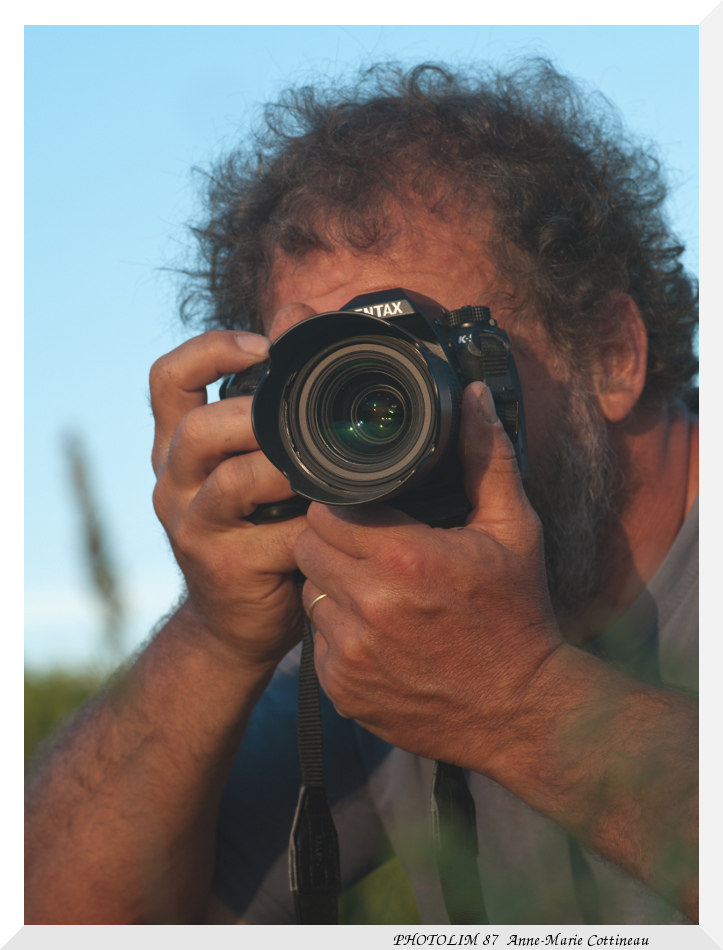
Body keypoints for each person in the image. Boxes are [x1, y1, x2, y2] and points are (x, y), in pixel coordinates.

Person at [24, 59, 698, 925]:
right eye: (332, 371)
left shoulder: (446, 643)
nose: (380, 416)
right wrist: (217, 637)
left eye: (428, 349)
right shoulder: (391, 620)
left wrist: (519, 700)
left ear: (608, 353)